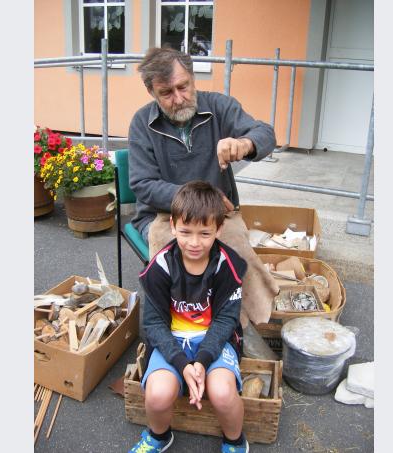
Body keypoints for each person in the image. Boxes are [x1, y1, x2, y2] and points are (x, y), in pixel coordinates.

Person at [128, 46, 279, 327]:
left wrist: (244, 143)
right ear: (152, 93)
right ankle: (175, 328)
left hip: (219, 214)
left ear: (192, 78)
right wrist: (199, 200)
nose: (178, 98)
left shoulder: (219, 107)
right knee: (179, 257)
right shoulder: (141, 124)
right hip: (164, 215)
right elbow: (143, 185)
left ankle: (243, 327)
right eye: (166, 93)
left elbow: (266, 133)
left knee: (235, 254)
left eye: (183, 87)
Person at [130, 181, 249, 453]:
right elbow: (153, 324)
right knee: (157, 395)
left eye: (205, 233)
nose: (194, 243)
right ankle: (159, 436)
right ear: (172, 226)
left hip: (215, 341)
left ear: (219, 229)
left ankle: (235, 441)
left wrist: (204, 360)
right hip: (172, 341)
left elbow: (225, 321)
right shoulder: (160, 265)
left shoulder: (226, 266)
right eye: (185, 232)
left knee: (222, 393)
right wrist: (183, 363)